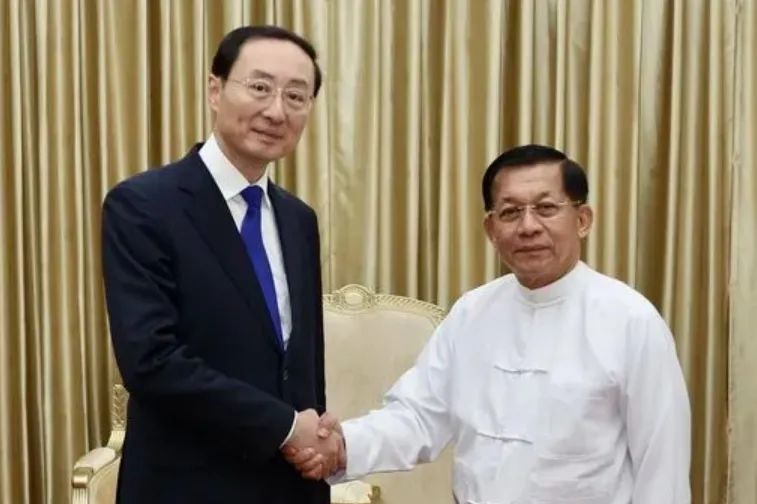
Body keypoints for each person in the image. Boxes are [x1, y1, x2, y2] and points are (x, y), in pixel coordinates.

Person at [286, 145, 692, 503]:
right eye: (510, 212)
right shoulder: (473, 312)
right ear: (491, 229)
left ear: (582, 219)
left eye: (546, 208)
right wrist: (342, 445)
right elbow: (419, 417)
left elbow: (662, 469)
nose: (528, 226)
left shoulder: (631, 321)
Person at [102, 25, 342, 504]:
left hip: (289, 487)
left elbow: (302, 363)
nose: (276, 111)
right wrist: (285, 426)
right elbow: (152, 362)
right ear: (215, 90)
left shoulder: (298, 219)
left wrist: (316, 436)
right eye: (260, 87)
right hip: (186, 485)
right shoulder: (143, 206)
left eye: (296, 96)